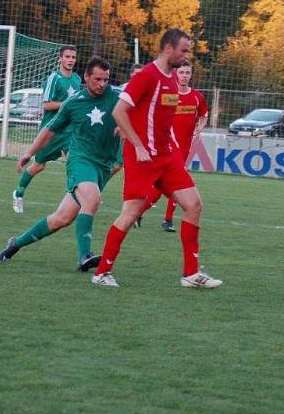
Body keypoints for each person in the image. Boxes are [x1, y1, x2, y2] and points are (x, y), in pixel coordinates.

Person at [91, 28, 222, 288]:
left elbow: (160, 119)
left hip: (166, 156)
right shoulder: (147, 75)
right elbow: (119, 111)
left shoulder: (173, 79)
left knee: (194, 205)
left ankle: (191, 274)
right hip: (143, 158)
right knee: (129, 214)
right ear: (168, 49)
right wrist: (138, 145)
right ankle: (102, 273)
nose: (186, 56)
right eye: (183, 50)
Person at [0, 57, 122, 270]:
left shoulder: (118, 97)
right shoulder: (73, 103)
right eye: (97, 79)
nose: (102, 84)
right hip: (80, 161)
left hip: (103, 166)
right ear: (86, 77)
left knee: (61, 218)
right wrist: (29, 153)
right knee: (92, 200)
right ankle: (84, 257)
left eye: (106, 80)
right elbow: (49, 130)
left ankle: (15, 244)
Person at [136, 60, 208, 232]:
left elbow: (204, 115)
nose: (184, 76)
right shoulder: (169, 95)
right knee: (170, 186)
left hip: (185, 148)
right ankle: (155, 216)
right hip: (168, 148)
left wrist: (200, 127)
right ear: (176, 74)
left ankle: (152, 216)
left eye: (187, 73)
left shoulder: (197, 97)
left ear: (191, 75)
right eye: (181, 72)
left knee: (176, 186)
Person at [12, 45, 81, 213]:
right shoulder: (54, 79)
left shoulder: (77, 79)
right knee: (38, 166)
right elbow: (47, 105)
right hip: (52, 130)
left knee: (75, 160)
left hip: (70, 130)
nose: (70, 60)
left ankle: (77, 197)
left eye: (73, 57)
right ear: (60, 59)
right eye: (67, 56)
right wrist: (67, 105)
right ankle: (18, 193)